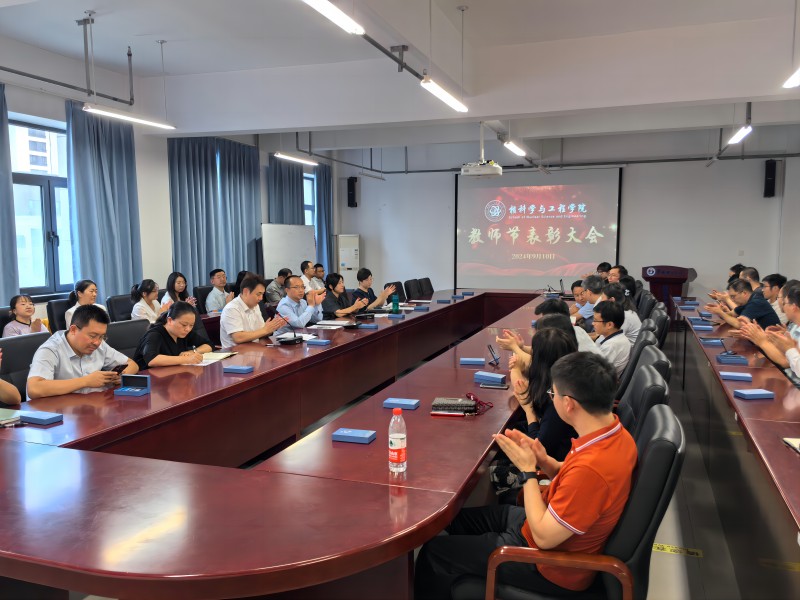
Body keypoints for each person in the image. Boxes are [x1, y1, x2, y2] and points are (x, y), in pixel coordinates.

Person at [414, 352, 637, 599]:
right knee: (453, 521)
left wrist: (528, 471)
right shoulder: (616, 434)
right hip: (541, 523)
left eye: (552, 394)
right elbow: (571, 475)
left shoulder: (592, 470)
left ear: (569, 404)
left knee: (433, 553)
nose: (551, 398)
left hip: (549, 565)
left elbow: (543, 538)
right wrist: (545, 460)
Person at [27, 305, 138, 400]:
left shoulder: (99, 344)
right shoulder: (50, 349)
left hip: (97, 405)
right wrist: (86, 381)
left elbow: (132, 364)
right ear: (73, 330)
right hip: (66, 412)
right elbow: (34, 388)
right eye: (92, 336)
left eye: (102, 337)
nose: (97, 342)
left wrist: (120, 377)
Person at [509, 327, 578, 461]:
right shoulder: (569, 378)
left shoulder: (558, 398)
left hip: (552, 462)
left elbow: (540, 450)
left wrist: (529, 410)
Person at [133, 302, 214, 370]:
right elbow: (152, 360)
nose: (188, 329)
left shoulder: (184, 333)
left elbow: (209, 345)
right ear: (170, 320)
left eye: (191, 325)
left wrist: (192, 352)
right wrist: (186, 359)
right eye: (184, 325)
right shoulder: (154, 334)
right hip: (148, 379)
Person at [220, 275, 287, 347]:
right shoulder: (232, 308)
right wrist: (265, 330)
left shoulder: (255, 305)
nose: (261, 298)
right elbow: (238, 338)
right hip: (236, 352)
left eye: (262, 294)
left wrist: (272, 328)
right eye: (258, 294)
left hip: (254, 348)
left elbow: (261, 332)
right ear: (246, 292)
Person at [705, 278, 780, 329]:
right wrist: (718, 310)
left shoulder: (756, 302)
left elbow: (739, 324)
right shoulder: (749, 300)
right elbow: (732, 314)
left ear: (744, 293)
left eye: (733, 296)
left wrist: (721, 313)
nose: (732, 300)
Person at [593, 301, 631, 377]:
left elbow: (596, 372)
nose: (593, 323)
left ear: (609, 325)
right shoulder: (610, 335)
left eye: (595, 320)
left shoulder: (611, 345)